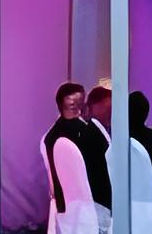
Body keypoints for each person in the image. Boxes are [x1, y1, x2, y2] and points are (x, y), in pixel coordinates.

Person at [44, 82, 110, 215]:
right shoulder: (89, 132)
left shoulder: (50, 137)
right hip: (97, 207)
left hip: (65, 208)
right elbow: (108, 164)